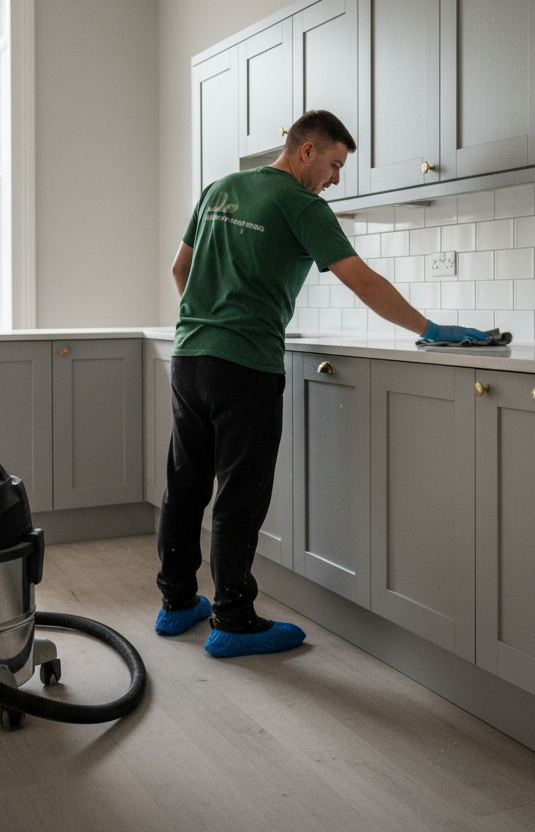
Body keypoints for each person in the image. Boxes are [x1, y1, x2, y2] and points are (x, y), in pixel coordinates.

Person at [155, 109, 489, 658]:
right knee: (240, 493)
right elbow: (363, 281)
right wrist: (431, 329)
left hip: (190, 356)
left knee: (186, 483)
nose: (334, 179)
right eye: (334, 164)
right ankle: (233, 621)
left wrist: (211, 318)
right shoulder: (301, 204)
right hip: (245, 365)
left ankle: (176, 605)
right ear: (305, 150)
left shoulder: (220, 189)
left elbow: (179, 269)